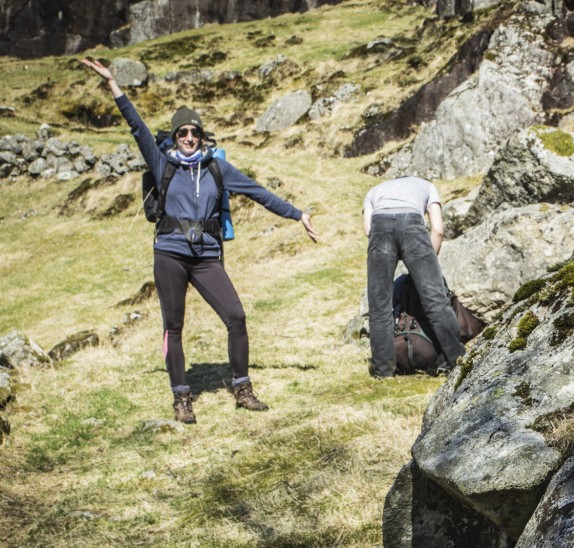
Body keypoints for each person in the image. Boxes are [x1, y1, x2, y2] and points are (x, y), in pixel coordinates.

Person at [81, 57, 319, 424]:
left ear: (202, 137)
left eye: (194, 133)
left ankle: (242, 388)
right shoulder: (163, 164)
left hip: (207, 256)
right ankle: (182, 398)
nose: (189, 138)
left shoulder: (217, 168)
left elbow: (258, 192)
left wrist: (297, 213)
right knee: (173, 326)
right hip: (170, 254)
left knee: (236, 316)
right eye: (182, 133)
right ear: (175, 137)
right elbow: (137, 127)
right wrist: (113, 83)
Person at [363, 176, 464, 378]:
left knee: (379, 305)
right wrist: (426, 264)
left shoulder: (374, 191)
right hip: (412, 225)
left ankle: (383, 371)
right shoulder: (427, 186)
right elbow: (438, 230)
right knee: (435, 301)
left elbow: (368, 231)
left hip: (379, 227)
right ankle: (457, 360)